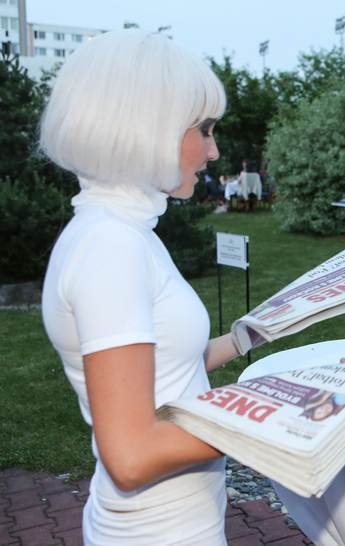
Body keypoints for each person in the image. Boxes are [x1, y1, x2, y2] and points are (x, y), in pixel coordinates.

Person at [39, 29, 256, 545]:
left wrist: (249, 336)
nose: (213, 151)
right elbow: (132, 455)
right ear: (148, 127)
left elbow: (163, 371)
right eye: (204, 129)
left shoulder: (121, 231)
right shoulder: (111, 246)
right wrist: (286, 426)